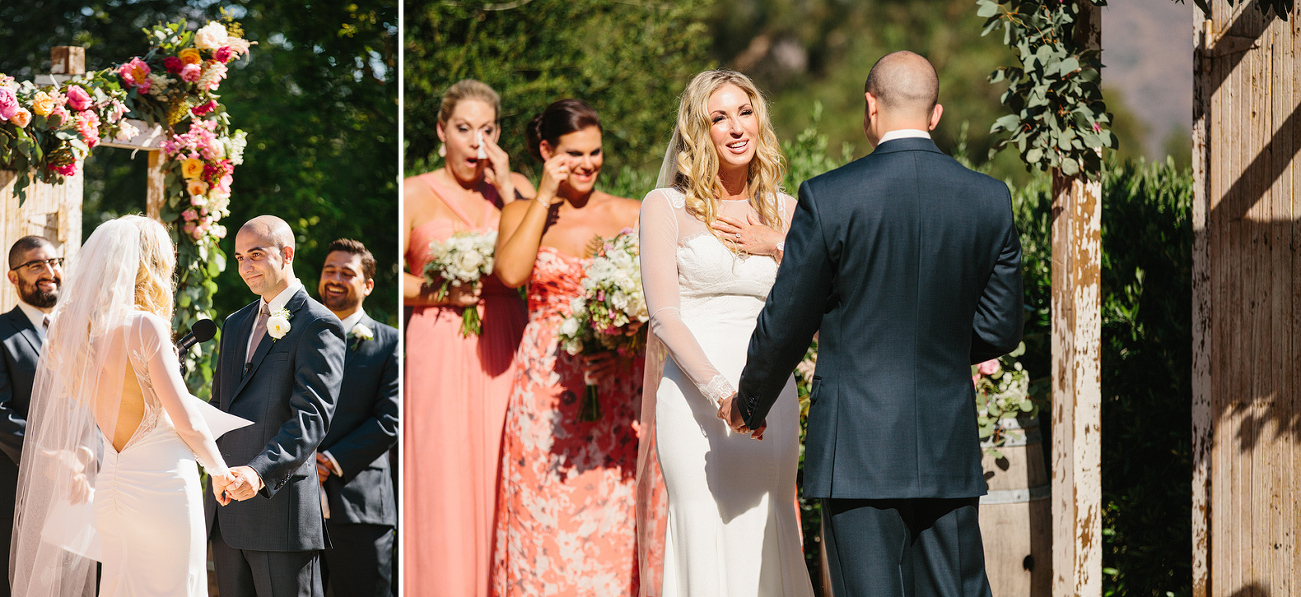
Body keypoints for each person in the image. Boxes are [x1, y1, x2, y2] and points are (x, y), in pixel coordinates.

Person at [721, 51, 1024, 597]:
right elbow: (1001, 329)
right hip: (946, 448)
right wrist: (938, 347)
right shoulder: (989, 199)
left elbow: (787, 319)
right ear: (934, 115)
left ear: (870, 106)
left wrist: (749, 403)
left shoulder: (830, 197)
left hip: (856, 449)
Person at [636, 70, 814, 596]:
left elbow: (817, 304)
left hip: (774, 391)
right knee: (702, 525)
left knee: (771, 519)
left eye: (745, 111)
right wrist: (725, 395)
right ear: (698, 132)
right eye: (719, 117)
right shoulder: (664, 207)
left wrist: (777, 246)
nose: (737, 128)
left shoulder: (787, 212)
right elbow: (665, 317)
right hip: (696, 397)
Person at [11, 216, 242, 596]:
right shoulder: (145, 326)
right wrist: (219, 470)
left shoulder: (81, 335)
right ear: (150, 265)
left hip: (113, 491)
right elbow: (187, 422)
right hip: (162, 489)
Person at [490, 98, 645, 596]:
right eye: (574, 153)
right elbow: (511, 273)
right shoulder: (519, 210)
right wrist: (544, 196)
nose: (588, 164)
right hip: (544, 389)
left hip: (618, 384)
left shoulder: (631, 212)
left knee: (612, 518)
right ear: (545, 150)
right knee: (542, 518)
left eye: (595, 152)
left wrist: (626, 343)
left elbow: (658, 302)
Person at [402, 78, 532, 596]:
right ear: (442, 131)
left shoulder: (515, 188)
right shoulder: (412, 192)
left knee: (506, 468)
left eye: (487, 129)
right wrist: (441, 292)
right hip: (437, 344)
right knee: (443, 476)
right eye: (464, 128)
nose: (476, 141)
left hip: (505, 340)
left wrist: (505, 186)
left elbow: (542, 253)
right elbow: (387, 278)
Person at [206, 215, 346, 597]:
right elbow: (220, 406)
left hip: (279, 511)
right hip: (227, 509)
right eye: (238, 258)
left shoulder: (319, 324)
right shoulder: (235, 324)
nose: (245, 267)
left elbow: (312, 419)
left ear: (287, 254)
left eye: (255, 254)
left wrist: (258, 472)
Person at [314, 239, 399, 596]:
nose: (335, 279)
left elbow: (390, 419)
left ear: (367, 285)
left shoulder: (389, 342)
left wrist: (329, 462)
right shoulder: (297, 335)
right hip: (296, 503)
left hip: (361, 504)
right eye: (329, 270)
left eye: (347, 273)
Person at [0, 236, 62, 596]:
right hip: (14, 489)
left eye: (54, 262)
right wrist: (48, 458)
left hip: (75, 489)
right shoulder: (3, 334)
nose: (49, 272)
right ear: (13, 277)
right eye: (36, 265)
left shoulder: (74, 332)